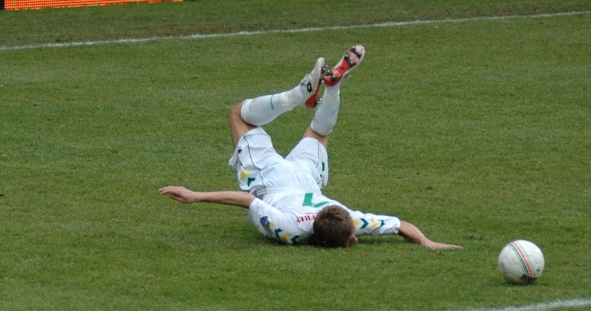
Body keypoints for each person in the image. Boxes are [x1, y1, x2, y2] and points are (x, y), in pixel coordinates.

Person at [161, 46, 460, 249]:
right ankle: (312, 91)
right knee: (239, 116)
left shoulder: (346, 215)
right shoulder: (290, 229)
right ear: (351, 240)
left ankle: (328, 88)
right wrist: (196, 196)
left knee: (317, 131)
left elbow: (401, 226)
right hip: (273, 181)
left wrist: (425, 241)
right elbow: (246, 200)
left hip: (307, 181)